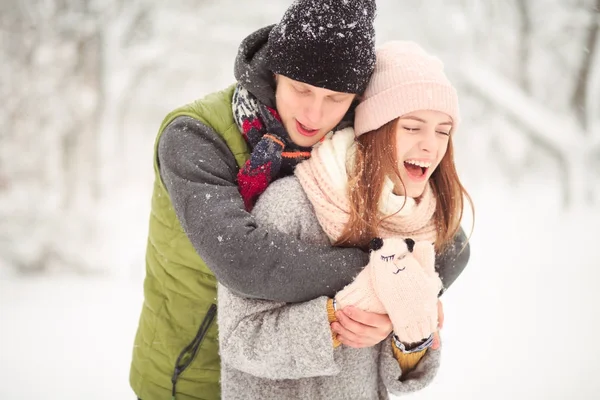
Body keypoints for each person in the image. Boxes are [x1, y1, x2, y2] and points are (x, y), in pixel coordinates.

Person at [129, 0, 470, 398]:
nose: (314, 112)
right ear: (275, 71)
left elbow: (450, 243)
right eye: (300, 89)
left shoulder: (348, 144)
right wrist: (388, 277)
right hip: (190, 372)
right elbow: (242, 257)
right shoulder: (195, 136)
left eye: (336, 98)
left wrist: (406, 307)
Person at [217, 40, 473, 399]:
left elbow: (401, 377)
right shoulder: (292, 204)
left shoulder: (421, 225)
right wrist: (336, 320)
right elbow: (240, 340)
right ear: (375, 129)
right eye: (413, 128)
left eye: (443, 130)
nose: (431, 146)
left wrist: (410, 336)